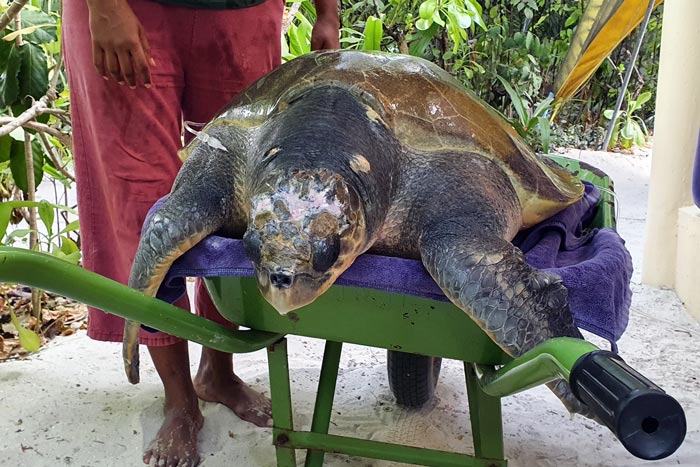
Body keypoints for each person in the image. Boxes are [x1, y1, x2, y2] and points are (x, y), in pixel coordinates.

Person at [62, 0, 339, 465]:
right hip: (130, 8)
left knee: (240, 193)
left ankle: (218, 371)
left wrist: (327, 11)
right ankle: (178, 398)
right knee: (142, 202)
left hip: (241, 10)